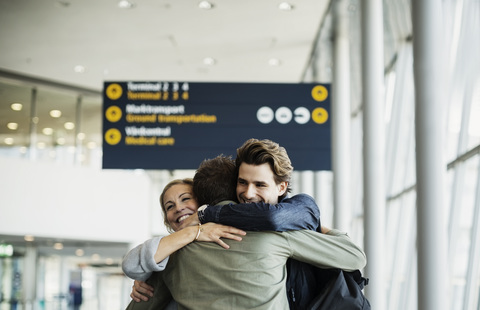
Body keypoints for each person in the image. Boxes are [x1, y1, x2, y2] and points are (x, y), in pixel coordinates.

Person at [124, 143, 366, 309]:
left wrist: (149, 276)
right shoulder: (279, 235)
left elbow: (139, 305)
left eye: (259, 185)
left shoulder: (174, 252)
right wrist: (318, 227)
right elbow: (355, 257)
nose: (249, 194)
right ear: (233, 186)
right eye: (243, 183)